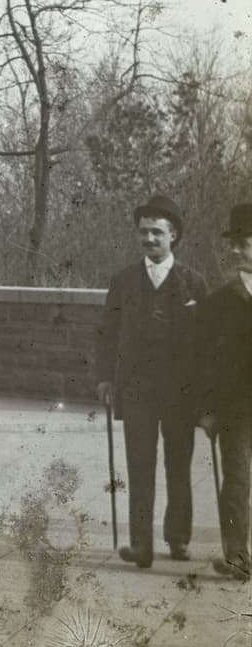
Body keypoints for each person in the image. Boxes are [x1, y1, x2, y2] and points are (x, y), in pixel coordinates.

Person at [96, 195, 206, 568]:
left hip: (180, 391)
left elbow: (206, 342)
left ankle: (178, 538)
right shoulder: (124, 281)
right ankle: (141, 544)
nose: (149, 239)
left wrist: (205, 393)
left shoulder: (193, 282)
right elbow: (107, 332)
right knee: (140, 465)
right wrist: (104, 378)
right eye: (144, 232)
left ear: (173, 235)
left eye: (157, 232)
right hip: (137, 389)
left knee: (179, 465)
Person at [198, 203, 252, 582]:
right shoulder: (220, 301)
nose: (234, 250)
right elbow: (203, 360)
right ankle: (237, 557)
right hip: (236, 409)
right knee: (236, 481)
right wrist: (206, 409)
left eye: (243, 242)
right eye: (232, 243)